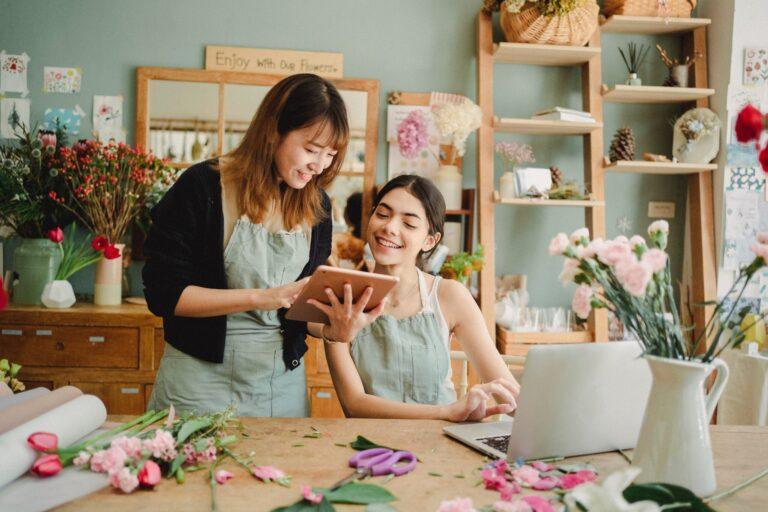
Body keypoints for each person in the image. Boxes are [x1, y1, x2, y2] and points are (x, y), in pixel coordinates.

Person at [142, 73, 349, 417]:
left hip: (279, 385)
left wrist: (334, 324)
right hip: (197, 381)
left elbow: (302, 311)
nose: (320, 165)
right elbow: (163, 294)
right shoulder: (201, 186)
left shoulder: (318, 206)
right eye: (311, 149)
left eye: (329, 154)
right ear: (273, 131)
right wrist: (260, 298)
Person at [309, 174, 520, 421]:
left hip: (442, 445)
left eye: (409, 224)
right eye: (383, 214)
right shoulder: (341, 298)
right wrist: (448, 412)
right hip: (370, 449)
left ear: (430, 240)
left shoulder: (449, 296)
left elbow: (509, 394)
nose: (389, 227)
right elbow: (354, 404)